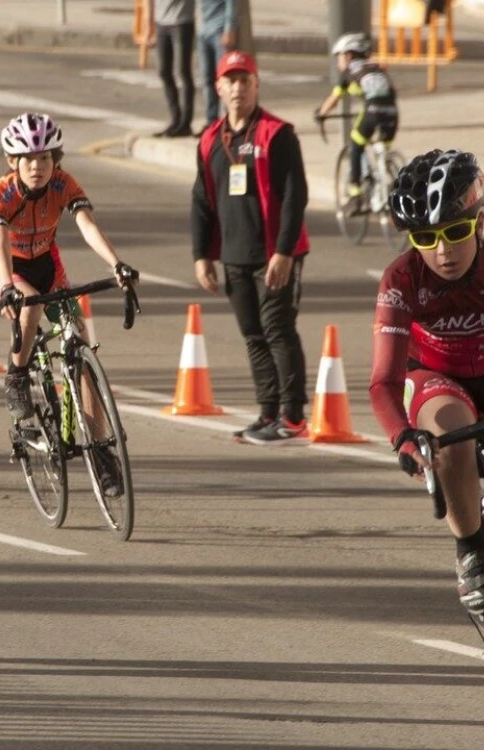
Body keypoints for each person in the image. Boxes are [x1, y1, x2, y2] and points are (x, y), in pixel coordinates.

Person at [0, 112, 137, 495]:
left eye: (46, 159)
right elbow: (0, 246)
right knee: (31, 303)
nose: (38, 167)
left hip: (48, 266)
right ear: (13, 162)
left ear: (56, 160)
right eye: (29, 160)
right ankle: (17, 375)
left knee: (81, 348)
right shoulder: (2, 194)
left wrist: (116, 264)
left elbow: (86, 224)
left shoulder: (63, 184)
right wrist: (6, 288)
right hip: (11, 271)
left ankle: (101, 452)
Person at [370, 148, 484, 620]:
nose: (443, 251)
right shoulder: (401, 277)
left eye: (456, 232)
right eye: (425, 237)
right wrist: (403, 437)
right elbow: (383, 383)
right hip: (436, 377)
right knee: (452, 437)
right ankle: (471, 552)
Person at [191, 51, 310, 444]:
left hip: (275, 253)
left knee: (278, 329)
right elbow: (202, 201)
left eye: (246, 80)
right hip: (235, 255)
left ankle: (293, 417)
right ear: (219, 88)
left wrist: (284, 251)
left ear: (256, 85)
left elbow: (296, 195)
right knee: (253, 335)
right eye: (232, 80)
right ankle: (268, 412)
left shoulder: (277, 134)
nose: (239, 87)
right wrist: (201, 255)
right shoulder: (210, 139)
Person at [315, 31, 398, 212]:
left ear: (349, 55)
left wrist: (321, 113)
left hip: (372, 111)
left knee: (355, 144)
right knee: (382, 149)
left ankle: (355, 194)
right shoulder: (376, 68)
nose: (338, 63)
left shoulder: (349, 72)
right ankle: (385, 179)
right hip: (392, 113)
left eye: (339, 57)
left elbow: (334, 99)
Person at [142, 0, 196, 138]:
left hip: (182, 22)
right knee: (164, 71)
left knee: (183, 72)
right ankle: (175, 119)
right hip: (161, 23)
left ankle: (185, 123)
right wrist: (149, 27)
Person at [197, 0, 239, 130]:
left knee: (225, 77)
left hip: (220, 31)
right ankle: (211, 121)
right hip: (203, 31)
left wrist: (229, 29)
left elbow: (231, 4)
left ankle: (230, 121)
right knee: (207, 78)